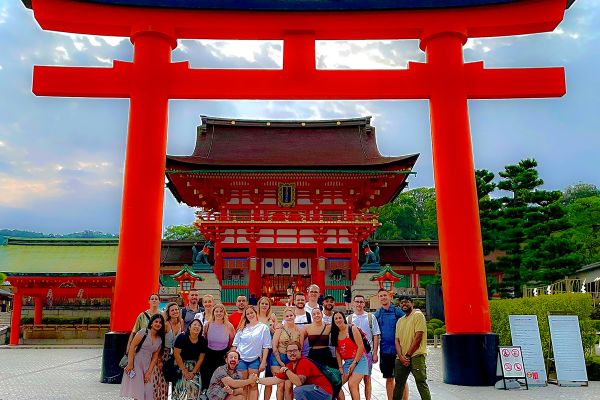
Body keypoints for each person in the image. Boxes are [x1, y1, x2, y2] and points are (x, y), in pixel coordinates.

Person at [257, 341, 334, 400]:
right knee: (300, 390)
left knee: (298, 391)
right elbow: (274, 380)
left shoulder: (303, 362)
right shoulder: (290, 365)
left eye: (294, 350)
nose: (292, 353)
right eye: (289, 351)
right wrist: (257, 380)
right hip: (316, 391)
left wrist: (286, 370)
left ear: (300, 351)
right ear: (286, 353)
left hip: (325, 392)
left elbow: (299, 382)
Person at [393, 295, 431, 400]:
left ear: (412, 303)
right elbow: (397, 340)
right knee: (399, 384)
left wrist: (408, 355)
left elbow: (418, 337)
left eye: (406, 302)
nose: (404, 304)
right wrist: (400, 356)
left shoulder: (418, 315)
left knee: (421, 382)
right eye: (401, 303)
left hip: (416, 355)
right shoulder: (400, 321)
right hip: (401, 358)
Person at [231, 305, 272, 400]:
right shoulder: (242, 328)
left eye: (251, 313)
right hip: (241, 359)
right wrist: (232, 360)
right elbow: (235, 345)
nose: (250, 315)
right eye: (247, 314)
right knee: (243, 384)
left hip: (255, 360)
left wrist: (263, 362)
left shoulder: (263, 328)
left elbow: (266, 347)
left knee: (253, 384)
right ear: (245, 316)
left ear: (256, 313)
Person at [121, 314, 165, 400]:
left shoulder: (160, 339)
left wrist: (149, 372)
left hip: (147, 365)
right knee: (138, 392)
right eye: (156, 321)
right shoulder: (143, 332)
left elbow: (155, 357)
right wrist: (130, 364)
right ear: (151, 323)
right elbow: (132, 347)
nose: (158, 324)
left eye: (160, 322)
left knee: (147, 391)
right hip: (137, 363)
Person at [374, 289, 407, 400]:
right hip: (385, 351)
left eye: (385, 295)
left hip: (399, 351)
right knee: (389, 378)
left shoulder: (398, 311)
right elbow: (372, 330)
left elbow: (408, 324)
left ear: (390, 297)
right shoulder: (377, 314)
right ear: (378, 298)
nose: (383, 297)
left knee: (401, 379)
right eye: (381, 296)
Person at [348, 294, 380, 400]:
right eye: (357, 302)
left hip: (367, 354)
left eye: (361, 302)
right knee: (354, 380)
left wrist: (375, 353)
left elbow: (376, 335)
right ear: (353, 303)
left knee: (367, 379)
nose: (359, 304)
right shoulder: (349, 319)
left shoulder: (371, 317)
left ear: (364, 303)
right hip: (353, 355)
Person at [331, 311, 367, 400]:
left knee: (352, 384)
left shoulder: (352, 328)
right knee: (336, 384)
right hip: (347, 362)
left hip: (359, 360)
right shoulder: (335, 333)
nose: (338, 320)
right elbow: (338, 352)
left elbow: (360, 346)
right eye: (336, 318)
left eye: (340, 318)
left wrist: (354, 363)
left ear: (344, 318)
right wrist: (340, 367)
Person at [201, 303, 236, 395]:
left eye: (221, 311)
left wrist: (229, 355)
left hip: (223, 354)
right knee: (208, 377)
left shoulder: (229, 326)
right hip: (209, 354)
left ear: (224, 313)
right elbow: (205, 338)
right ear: (213, 313)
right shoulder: (208, 325)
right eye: (217, 311)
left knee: (221, 379)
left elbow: (233, 342)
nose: (219, 313)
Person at [153, 301, 183, 400]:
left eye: (176, 309)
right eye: (172, 310)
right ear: (168, 312)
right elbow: (158, 342)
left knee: (177, 381)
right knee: (162, 383)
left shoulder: (181, 322)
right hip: (163, 353)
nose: (175, 311)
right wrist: (159, 359)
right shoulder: (165, 324)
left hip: (176, 355)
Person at [172, 318, 208, 399]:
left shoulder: (202, 341)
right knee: (180, 392)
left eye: (199, 325)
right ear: (189, 327)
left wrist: (193, 372)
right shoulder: (182, 337)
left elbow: (201, 358)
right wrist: (184, 370)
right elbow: (177, 354)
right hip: (180, 365)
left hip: (195, 367)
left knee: (194, 392)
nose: (197, 327)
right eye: (194, 324)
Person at [271, 307, 302, 400]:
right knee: (280, 385)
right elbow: (274, 347)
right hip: (278, 357)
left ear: (295, 316)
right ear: (284, 317)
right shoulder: (280, 328)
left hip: (292, 359)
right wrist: (280, 362)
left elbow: (300, 347)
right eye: (287, 316)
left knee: (289, 386)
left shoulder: (299, 330)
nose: (289, 317)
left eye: (291, 315)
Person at [257, 296, 279, 400]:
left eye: (266, 304)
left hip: (269, 349)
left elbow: (278, 333)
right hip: (256, 350)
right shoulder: (255, 316)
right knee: (253, 377)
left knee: (268, 377)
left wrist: (272, 329)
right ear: (259, 305)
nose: (264, 305)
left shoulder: (272, 316)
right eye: (262, 303)